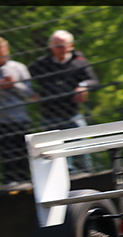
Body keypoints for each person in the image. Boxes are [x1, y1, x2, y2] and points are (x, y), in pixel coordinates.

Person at [29, 29, 99, 173]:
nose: (59, 49)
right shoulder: (41, 64)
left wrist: (83, 86)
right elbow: (23, 77)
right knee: (58, 160)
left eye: (62, 45)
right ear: (50, 47)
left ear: (70, 46)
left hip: (72, 114)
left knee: (81, 152)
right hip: (50, 116)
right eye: (56, 46)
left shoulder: (78, 63)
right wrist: (31, 94)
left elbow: (93, 81)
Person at [0, 37, 36, 185]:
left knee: (24, 154)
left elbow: (30, 94)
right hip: (0, 121)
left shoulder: (19, 68)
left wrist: (14, 84)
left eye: (5, 51)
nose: (3, 55)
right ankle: (10, 183)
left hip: (21, 119)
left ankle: (28, 181)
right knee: (7, 156)